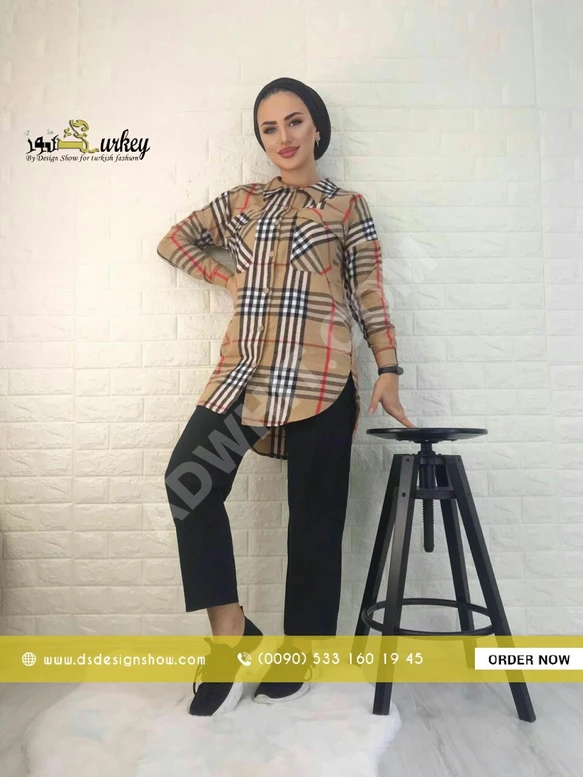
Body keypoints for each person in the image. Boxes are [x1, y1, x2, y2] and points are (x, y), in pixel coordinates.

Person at [156, 76, 414, 716]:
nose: (283, 137)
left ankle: (299, 655)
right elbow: (174, 242)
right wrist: (230, 277)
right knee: (188, 481)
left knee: (316, 522)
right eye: (269, 128)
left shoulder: (347, 206)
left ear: (317, 127)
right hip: (244, 371)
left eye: (294, 122)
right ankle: (232, 632)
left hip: (323, 374)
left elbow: (369, 292)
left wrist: (387, 366)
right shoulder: (243, 201)